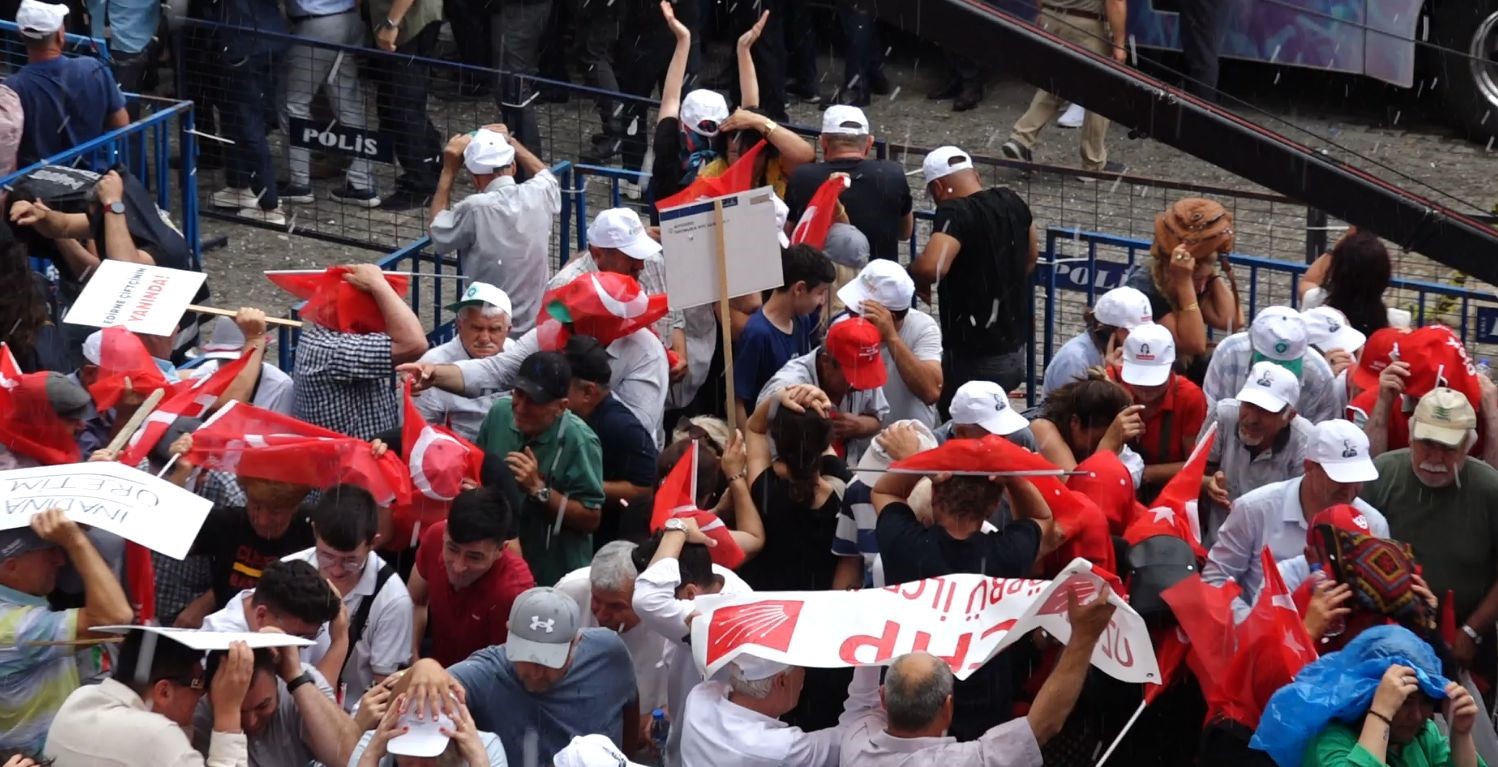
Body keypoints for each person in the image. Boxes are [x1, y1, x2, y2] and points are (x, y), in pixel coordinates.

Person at [869, 456, 1056, 741]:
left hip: (911, 698)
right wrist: (1013, 478)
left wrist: (926, 464)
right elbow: (1042, 518)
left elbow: (884, 491)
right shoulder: (1007, 554)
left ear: (933, 496)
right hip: (985, 708)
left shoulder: (906, 545)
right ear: (994, 506)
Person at [838, 589, 1116, 766]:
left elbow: (861, 704)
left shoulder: (854, 745)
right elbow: (1043, 726)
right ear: (947, 708)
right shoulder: (963, 762)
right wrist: (1083, 636)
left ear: (884, 698)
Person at [401, 274, 670, 449]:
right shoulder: (552, 331)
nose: (565, 325)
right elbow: (497, 370)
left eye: (575, 319)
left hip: (617, 463)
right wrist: (433, 374)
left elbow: (636, 430)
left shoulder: (647, 353)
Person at [390, 587, 639, 766]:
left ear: (576, 642)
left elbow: (630, 714)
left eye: (548, 660)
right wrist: (423, 668)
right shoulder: (485, 673)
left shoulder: (609, 653)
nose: (535, 671)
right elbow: (398, 709)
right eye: (526, 657)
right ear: (508, 634)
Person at [1360, 387, 1498, 670]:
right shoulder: (1382, 475)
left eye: (1448, 448)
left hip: (1465, 639)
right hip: (1386, 636)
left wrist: (1473, 630)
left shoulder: (1489, 489)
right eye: (1426, 443)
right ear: (1411, 438)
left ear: (1468, 445)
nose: (1435, 457)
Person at [1203, 419, 1389, 619]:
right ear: (1309, 467)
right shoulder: (1254, 510)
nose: (1349, 488)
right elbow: (1215, 580)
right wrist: (1252, 625)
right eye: (1340, 477)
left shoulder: (1374, 524)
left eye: (1357, 477)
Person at [910, 146, 1037, 403]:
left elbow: (932, 267)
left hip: (974, 354)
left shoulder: (955, 212)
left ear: (937, 187)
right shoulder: (1012, 200)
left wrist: (913, 275)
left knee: (962, 423)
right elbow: (1031, 256)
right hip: (1015, 347)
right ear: (976, 176)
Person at [0, 509, 133, 752]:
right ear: (11, 567)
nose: (61, 560)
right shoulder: (16, 628)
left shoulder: (17, 608)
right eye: (49, 552)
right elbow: (115, 617)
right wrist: (75, 541)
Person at [1254, 626, 1478, 767]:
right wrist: (1381, 714)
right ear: (1368, 696)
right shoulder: (1329, 743)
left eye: (1427, 701)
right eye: (1405, 701)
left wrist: (1461, 734)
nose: (1418, 715)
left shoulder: (1422, 736)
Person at [474, 351, 604, 586]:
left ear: (561, 407)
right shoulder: (499, 414)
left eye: (534, 400)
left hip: (553, 577)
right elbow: (475, 468)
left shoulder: (580, 441)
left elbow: (591, 518)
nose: (520, 407)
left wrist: (538, 490)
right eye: (518, 393)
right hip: (496, 567)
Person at [631, 523, 754, 764]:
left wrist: (678, 530)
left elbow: (646, 599)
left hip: (711, 753)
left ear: (689, 594)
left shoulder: (707, 615)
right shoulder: (717, 576)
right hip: (692, 729)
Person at [285, 484, 413, 710]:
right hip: (286, 705)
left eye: (350, 560)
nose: (336, 570)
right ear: (315, 532)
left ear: (373, 542)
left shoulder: (393, 599)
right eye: (326, 556)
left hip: (351, 716)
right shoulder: (287, 572)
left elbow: (384, 687)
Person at [44, 632, 254, 767]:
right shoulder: (158, 735)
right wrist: (228, 711)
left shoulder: (79, 698)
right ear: (164, 691)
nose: (202, 695)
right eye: (198, 684)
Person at [429, 126, 560, 339]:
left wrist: (448, 170)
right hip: (534, 329)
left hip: (487, 331)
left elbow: (438, 231)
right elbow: (546, 175)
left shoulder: (475, 208)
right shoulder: (538, 192)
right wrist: (512, 142)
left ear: (474, 177)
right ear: (514, 167)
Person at [291, 263, 427, 440]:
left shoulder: (333, 336)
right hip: (349, 462)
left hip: (368, 454)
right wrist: (378, 284)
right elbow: (415, 343)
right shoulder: (331, 349)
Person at [551, 207, 682, 387]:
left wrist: (680, 356)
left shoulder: (653, 264)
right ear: (598, 253)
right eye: (631, 256)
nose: (640, 265)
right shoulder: (565, 289)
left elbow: (675, 316)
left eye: (641, 254)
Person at [999, 0, 1128, 177]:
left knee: (1057, 82)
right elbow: (1115, 1)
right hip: (1086, 25)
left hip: (1052, 17)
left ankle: (1021, 138)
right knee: (1100, 90)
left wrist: (1043, 11)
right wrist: (1119, 44)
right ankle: (1093, 163)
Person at [409, 488, 535, 667]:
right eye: (452, 549)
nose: (458, 566)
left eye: (474, 557)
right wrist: (413, 659)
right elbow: (415, 602)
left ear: (500, 549)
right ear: (445, 531)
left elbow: (504, 669)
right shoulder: (434, 537)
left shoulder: (513, 593)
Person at [679, 655, 876, 767]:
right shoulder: (781, 749)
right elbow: (854, 734)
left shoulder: (698, 697)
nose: (805, 675)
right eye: (801, 669)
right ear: (781, 681)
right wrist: (869, 656)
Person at [276, 0, 379, 208]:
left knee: (293, 102)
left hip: (317, 23)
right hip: (348, 18)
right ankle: (361, 182)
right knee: (347, 102)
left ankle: (298, 182)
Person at [1199, 361, 1315, 547]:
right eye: (1248, 405)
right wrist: (1207, 483)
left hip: (1273, 553)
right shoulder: (1223, 416)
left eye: (1264, 411)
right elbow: (1191, 474)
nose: (1251, 419)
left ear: (1289, 416)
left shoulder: (1306, 441)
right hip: (1216, 543)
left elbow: (1304, 508)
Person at [192, 644, 361, 767]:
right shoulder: (198, 713)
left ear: (277, 681)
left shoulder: (301, 684)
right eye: (240, 711)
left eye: (263, 706)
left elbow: (352, 759)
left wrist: (295, 677)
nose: (251, 721)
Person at [784, 105, 913, 264]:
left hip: (821, 282)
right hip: (876, 282)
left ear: (823, 142)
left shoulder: (802, 177)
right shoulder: (892, 174)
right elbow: (905, 233)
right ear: (869, 143)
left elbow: (789, 233)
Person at [7, 0, 127, 169]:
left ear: (21, 35)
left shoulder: (12, 89)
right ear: (60, 35)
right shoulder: (93, 69)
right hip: (95, 180)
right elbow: (121, 122)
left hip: (37, 188)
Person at [554, 542, 668, 719]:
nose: (602, 614)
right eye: (597, 600)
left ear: (643, 598)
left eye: (616, 606)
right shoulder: (570, 593)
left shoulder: (665, 620)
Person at [562, 337, 657, 547]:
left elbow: (645, 490)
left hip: (612, 542)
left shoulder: (622, 427)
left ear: (588, 391)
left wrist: (581, 484)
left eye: (562, 387)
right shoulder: (575, 417)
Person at [179, 476, 316, 621]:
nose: (262, 520)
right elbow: (164, 529)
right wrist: (181, 475)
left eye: (275, 511)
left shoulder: (312, 528)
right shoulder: (227, 523)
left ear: (295, 506)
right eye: (255, 506)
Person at [1122, 198, 1243, 358]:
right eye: (1198, 278)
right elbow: (1194, 344)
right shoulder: (1144, 288)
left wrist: (1211, 272)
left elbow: (1232, 320)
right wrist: (1184, 282)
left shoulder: (1200, 280)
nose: (1201, 285)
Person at [756, 318, 889, 463]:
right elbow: (758, 433)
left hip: (844, 473)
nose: (859, 387)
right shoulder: (790, 384)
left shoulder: (862, 367)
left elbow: (878, 417)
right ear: (826, 362)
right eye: (852, 378)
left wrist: (860, 425)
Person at [834, 260, 942, 428]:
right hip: (858, 444)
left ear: (888, 318)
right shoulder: (842, 325)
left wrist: (891, 337)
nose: (847, 310)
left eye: (857, 310)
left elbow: (931, 391)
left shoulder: (924, 327)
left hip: (908, 443)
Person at [734, 245, 836, 422]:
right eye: (820, 293)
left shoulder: (802, 321)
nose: (822, 301)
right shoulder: (758, 334)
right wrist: (749, 442)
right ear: (799, 289)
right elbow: (738, 401)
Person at [363, 0, 443, 211]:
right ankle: (431, 164)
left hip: (407, 24)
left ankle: (420, 183)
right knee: (398, 102)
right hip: (411, 21)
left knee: (402, 105)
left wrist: (391, 23)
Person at [1111, 322, 1207, 495]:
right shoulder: (1112, 382)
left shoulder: (1189, 397)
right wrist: (1114, 434)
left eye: (1154, 379)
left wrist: (1141, 473)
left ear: (1171, 366)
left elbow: (1194, 463)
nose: (1146, 387)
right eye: (1139, 378)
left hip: (1169, 494)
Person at [1201, 305, 1340, 425]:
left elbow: (1320, 441)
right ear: (1252, 345)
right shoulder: (1228, 353)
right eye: (1268, 361)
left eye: (1287, 365)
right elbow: (1213, 419)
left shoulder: (1320, 375)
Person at [414, 282, 514, 440]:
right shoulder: (431, 363)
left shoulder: (515, 356)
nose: (484, 339)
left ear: (508, 330)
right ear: (459, 326)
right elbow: (418, 431)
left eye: (494, 329)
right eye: (476, 328)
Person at [1042, 285, 1154, 400]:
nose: (1140, 339)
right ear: (1109, 332)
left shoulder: (1127, 356)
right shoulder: (1075, 361)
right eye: (1132, 333)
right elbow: (1077, 414)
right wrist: (1109, 379)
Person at [1029, 375, 1145, 485]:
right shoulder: (1043, 427)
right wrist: (1106, 447)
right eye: (1097, 441)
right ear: (1075, 422)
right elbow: (1077, 493)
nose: (1098, 447)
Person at [198, 559, 342, 644]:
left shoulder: (279, 605)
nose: (301, 647)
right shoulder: (218, 642)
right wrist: (339, 644)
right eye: (297, 638)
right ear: (261, 615)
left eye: (309, 638)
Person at [349, 696, 505, 766]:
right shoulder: (375, 744)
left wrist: (478, 761)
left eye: (427, 760)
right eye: (408, 761)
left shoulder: (484, 748)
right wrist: (371, 755)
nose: (416, 765)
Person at [188, 314, 291, 415]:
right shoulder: (206, 372)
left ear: (261, 355)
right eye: (224, 360)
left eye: (241, 361)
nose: (231, 366)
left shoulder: (281, 387)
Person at [1299, 228, 1392, 337]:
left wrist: (1342, 243)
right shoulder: (1391, 323)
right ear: (1384, 278)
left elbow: (1309, 280)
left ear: (1336, 271)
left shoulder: (1316, 302)